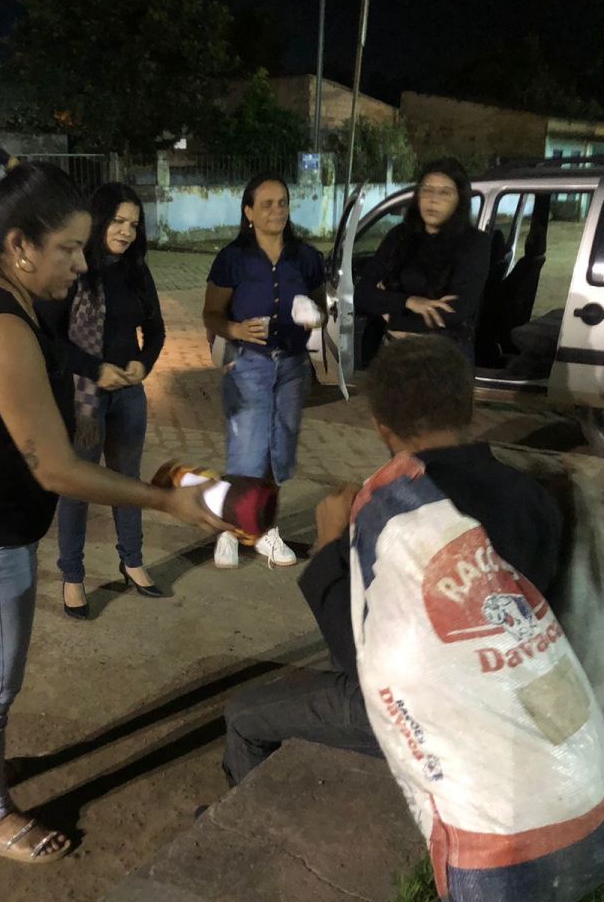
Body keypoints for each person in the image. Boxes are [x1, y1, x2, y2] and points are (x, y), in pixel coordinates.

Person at [0, 149, 226, 864]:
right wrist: (162, 501)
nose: (80, 265)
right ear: (18, 245)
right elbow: (53, 466)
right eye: (68, 249)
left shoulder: (9, 296)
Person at [222, 335, 564, 785]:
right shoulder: (531, 495)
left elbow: (364, 664)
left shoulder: (389, 513)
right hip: (513, 700)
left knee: (243, 716)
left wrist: (327, 549)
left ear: (380, 425)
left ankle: (244, 835)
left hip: (433, 719)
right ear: (469, 409)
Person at [47, 183, 166, 618]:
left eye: (133, 224)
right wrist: (95, 369)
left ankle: (132, 562)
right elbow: (53, 340)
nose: (126, 231)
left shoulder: (137, 270)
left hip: (128, 395)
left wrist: (142, 365)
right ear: (100, 221)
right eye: (118, 221)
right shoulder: (76, 270)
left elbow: (155, 331)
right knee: (77, 487)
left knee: (128, 483)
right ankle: (72, 576)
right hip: (85, 397)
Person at [202, 174, 326, 570]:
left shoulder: (305, 256)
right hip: (249, 362)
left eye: (283, 202)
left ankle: (266, 530)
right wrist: (234, 329)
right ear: (248, 211)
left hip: (291, 364)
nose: (277, 210)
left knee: (277, 449)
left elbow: (321, 309)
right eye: (267, 204)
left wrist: (314, 319)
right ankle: (229, 529)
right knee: (246, 450)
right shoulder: (232, 258)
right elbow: (211, 313)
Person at [354, 157, 490, 364]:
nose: (433, 199)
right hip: (394, 355)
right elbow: (363, 294)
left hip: (443, 358)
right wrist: (409, 302)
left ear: (460, 199)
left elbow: (457, 311)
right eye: (427, 190)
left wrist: (392, 313)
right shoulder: (399, 236)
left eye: (444, 192)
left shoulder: (474, 243)